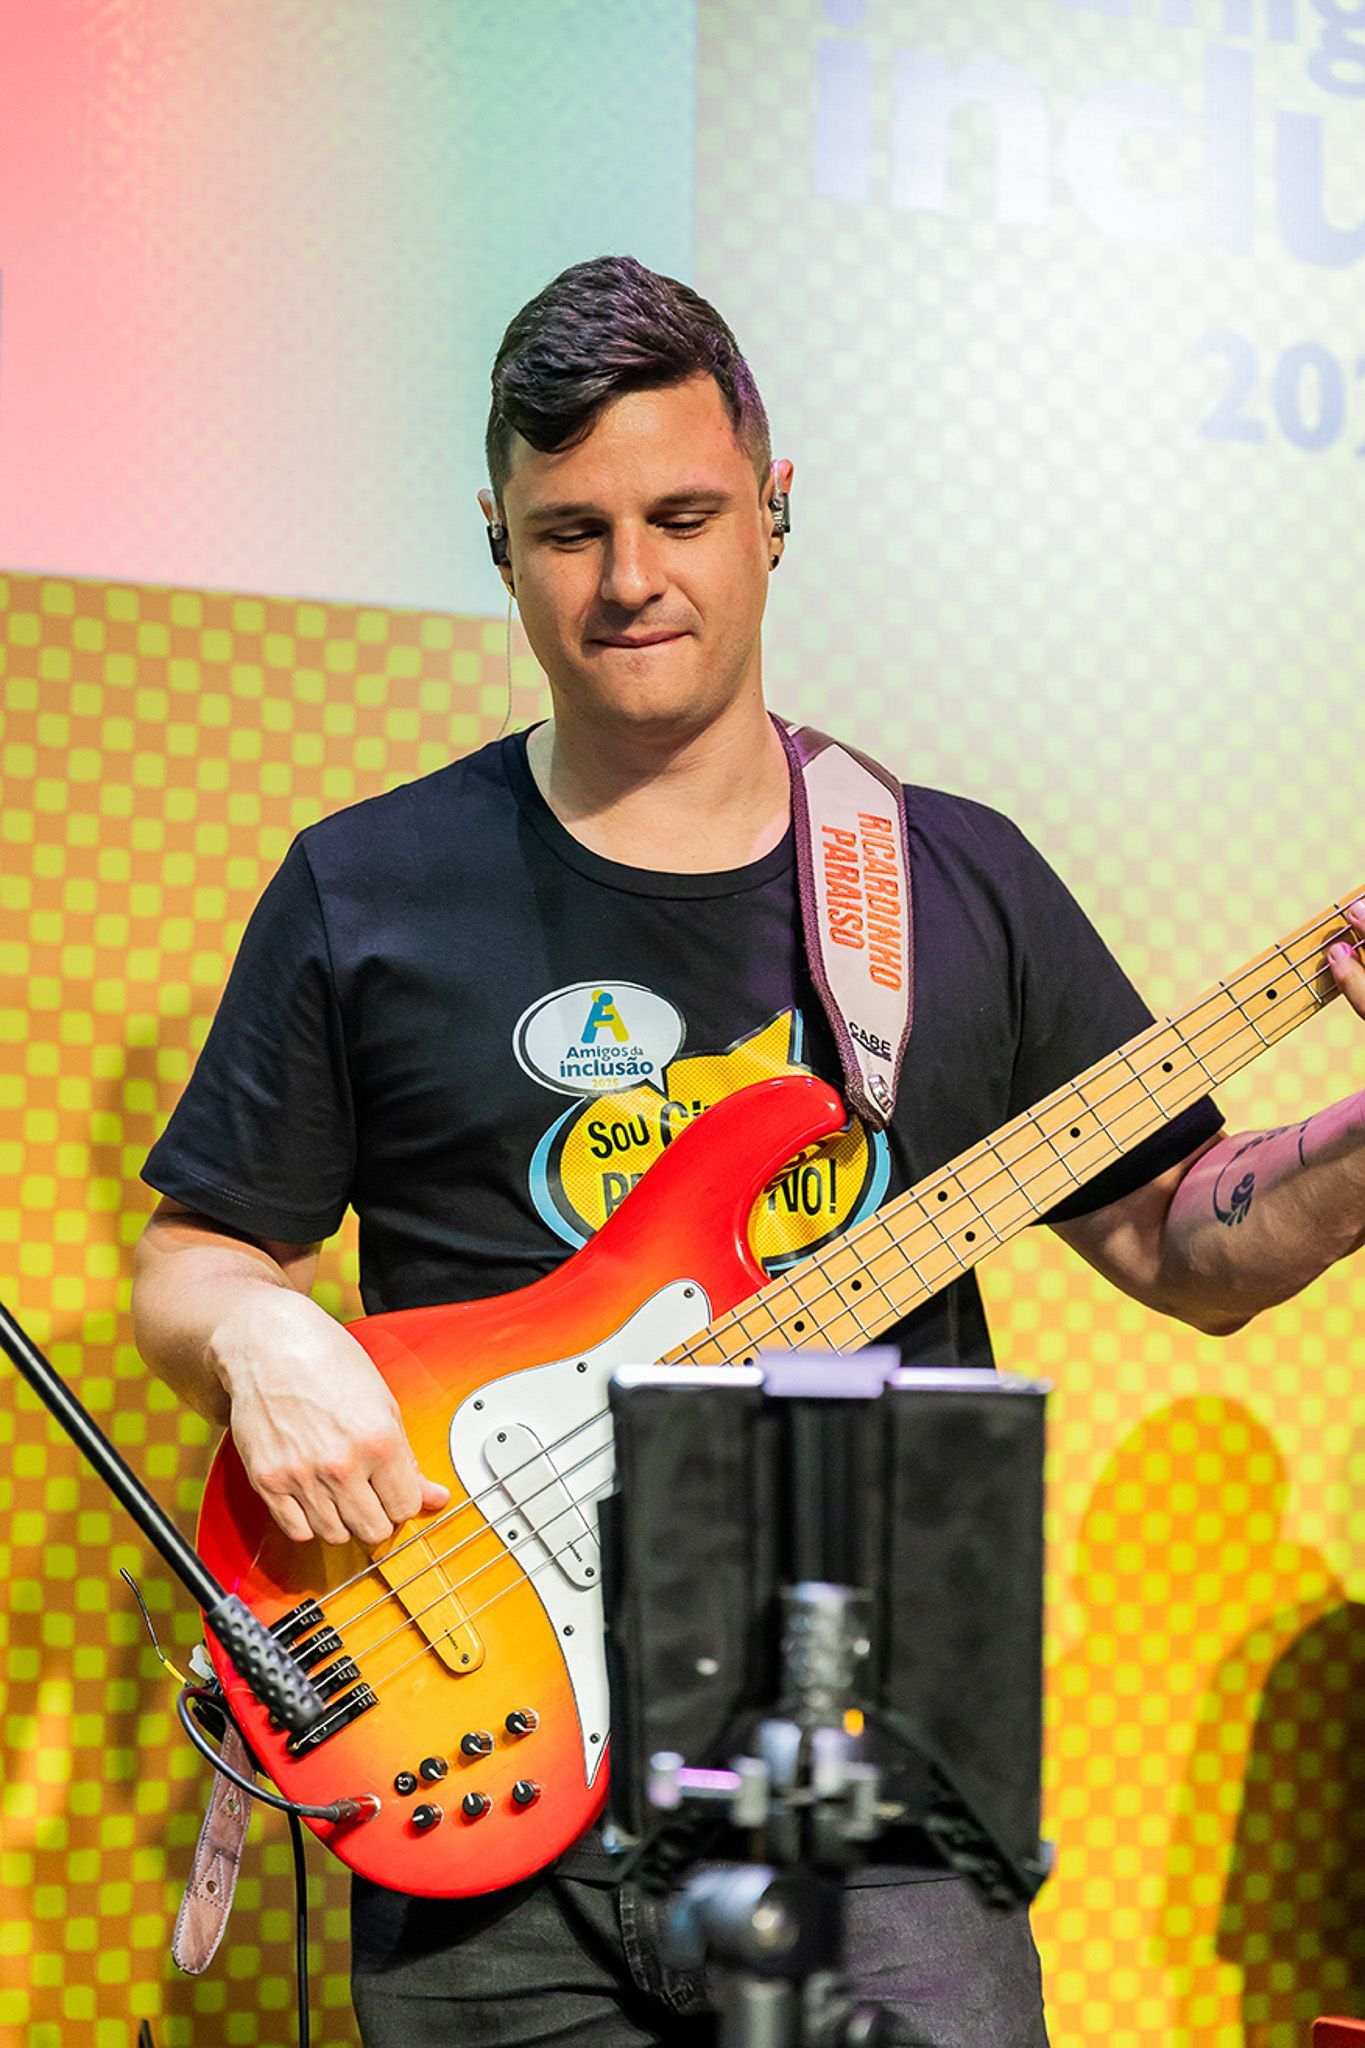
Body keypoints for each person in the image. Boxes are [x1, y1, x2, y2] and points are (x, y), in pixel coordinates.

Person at [130, 254, 1365, 2048]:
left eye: (682, 515)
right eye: (569, 531)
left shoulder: (950, 880)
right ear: (495, 539)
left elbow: (1189, 1244)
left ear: (772, 513)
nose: (630, 579)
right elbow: (195, 1258)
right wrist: (260, 1336)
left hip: (865, 1786)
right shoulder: (364, 886)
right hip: (476, 1753)